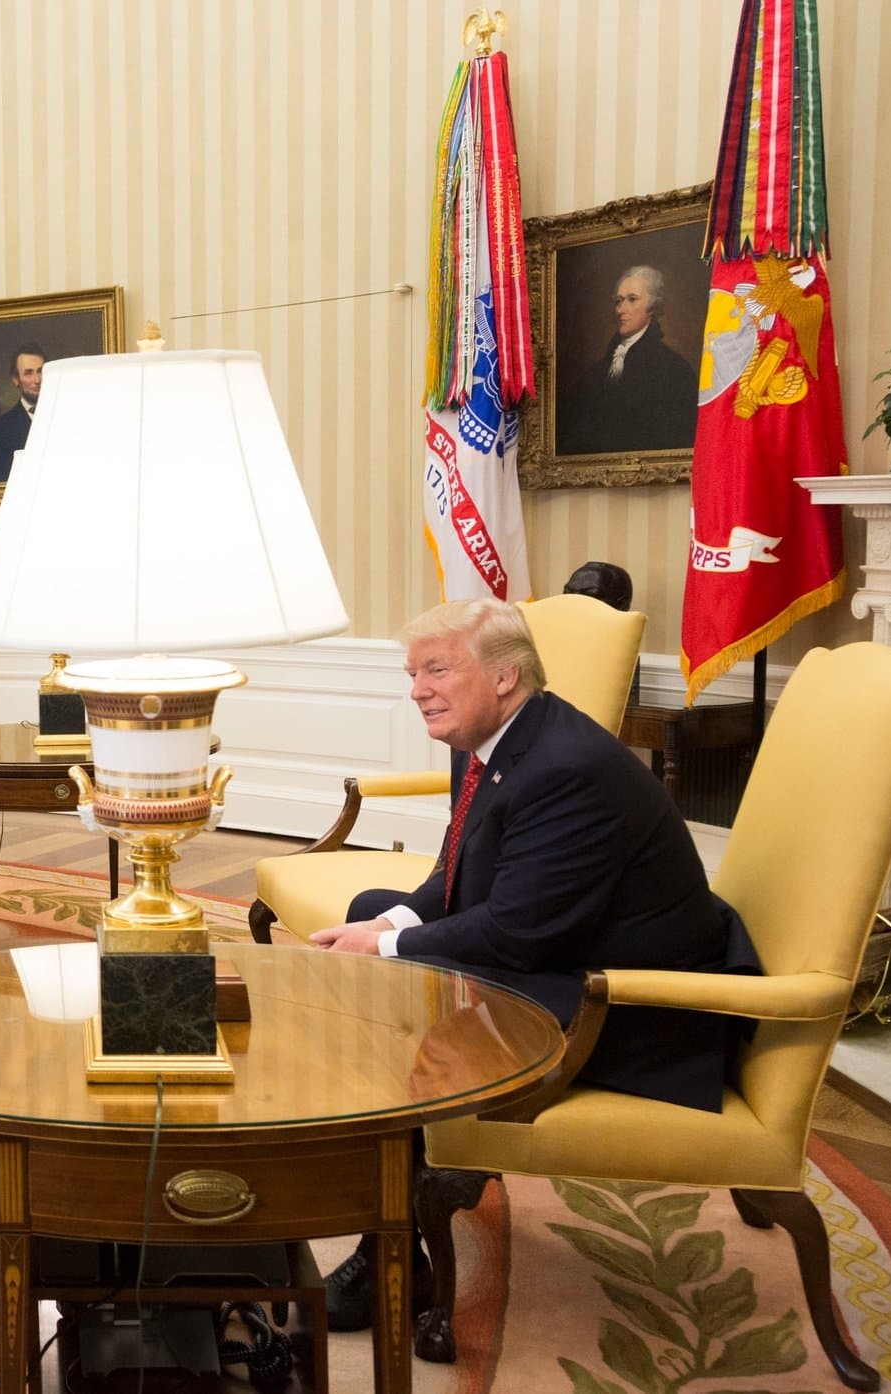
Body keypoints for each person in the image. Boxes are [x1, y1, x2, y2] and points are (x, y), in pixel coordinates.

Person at [305, 598, 758, 1332]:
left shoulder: (565, 768)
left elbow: (517, 934)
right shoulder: (488, 737)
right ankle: (385, 1171)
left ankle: (392, 1244)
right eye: (412, 672)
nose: (416, 688)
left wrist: (385, 949)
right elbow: (455, 876)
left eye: (436, 669)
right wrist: (388, 923)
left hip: (628, 1006)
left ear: (506, 676)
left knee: (414, 1005)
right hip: (568, 948)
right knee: (374, 906)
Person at [555, 265, 698, 456]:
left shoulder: (675, 371)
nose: (621, 309)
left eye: (632, 299)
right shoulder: (596, 372)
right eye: (619, 301)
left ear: (652, 307)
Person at [0, 344, 46, 484]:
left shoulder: (66, 418)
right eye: (29, 373)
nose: (37, 380)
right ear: (16, 380)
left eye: (41, 371)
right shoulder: (0, 428)